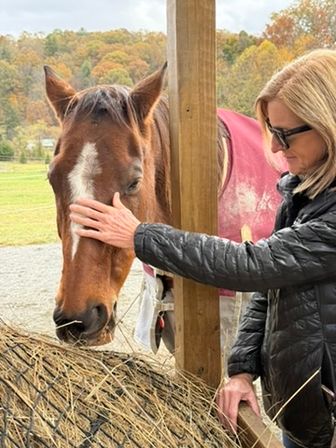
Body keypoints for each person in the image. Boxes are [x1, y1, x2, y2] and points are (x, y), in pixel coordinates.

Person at [69, 49, 336, 447]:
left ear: (327, 123)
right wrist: (243, 369)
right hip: (305, 417)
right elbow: (271, 288)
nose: (276, 150)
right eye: (270, 133)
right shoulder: (303, 193)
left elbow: (255, 265)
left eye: (284, 134)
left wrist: (140, 236)